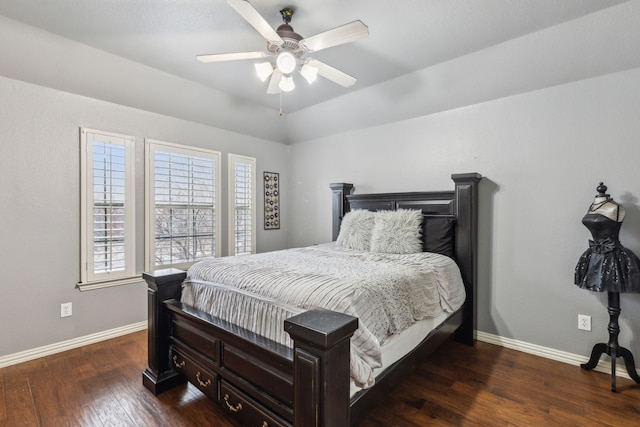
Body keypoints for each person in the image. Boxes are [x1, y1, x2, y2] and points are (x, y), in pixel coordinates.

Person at [574, 183, 640, 292]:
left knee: (614, 289)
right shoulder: (591, 207)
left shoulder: (616, 208)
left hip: (614, 255)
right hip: (593, 255)